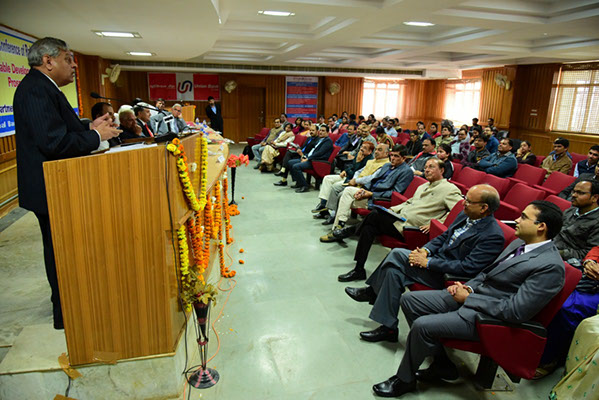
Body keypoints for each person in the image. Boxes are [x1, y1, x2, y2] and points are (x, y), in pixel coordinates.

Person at [370, 200, 565, 398]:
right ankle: (441, 363)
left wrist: (469, 299)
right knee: (410, 301)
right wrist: (468, 287)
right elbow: (487, 273)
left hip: (489, 317)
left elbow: (516, 311)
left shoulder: (550, 267)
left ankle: (405, 379)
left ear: (541, 226)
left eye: (523, 217)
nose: (516, 220)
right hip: (476, 296)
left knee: (422, 326)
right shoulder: (519, 243)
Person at [13, 37, 121, 330]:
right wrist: (97, 137)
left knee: (65, 249)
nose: (74, 66)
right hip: (52, 188)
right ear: (48, 61)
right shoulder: (36, 89)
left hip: (59, 186)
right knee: (61, 252)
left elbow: (58, 130)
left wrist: (90, 127)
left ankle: (73, 306)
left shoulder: (45, 87)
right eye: (68, 59)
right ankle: (67, 313)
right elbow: (53, 143)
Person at [344, 185, 503, 339]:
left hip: (447, 276)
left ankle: (372, 292)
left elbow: (468, 267)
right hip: (435, 261)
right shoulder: (465, 216)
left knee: (397, 254)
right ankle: (389, 328)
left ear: (484, 208)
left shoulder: (492, 235)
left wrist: (428, 262)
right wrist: (425, 250)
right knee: (393, 272)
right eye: (465, 199)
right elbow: (443, 237)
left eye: (469, 201)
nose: (463, 203)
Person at [335, 159, 465, 282]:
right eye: (425, 167)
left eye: (431, 167)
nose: (426, 170)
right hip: (400, 220)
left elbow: (459, 212)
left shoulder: (449, 189)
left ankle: (351, 230)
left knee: (374, 216)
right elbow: (409, 202)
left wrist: (436, 224)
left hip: (413, 229)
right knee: (369, 227)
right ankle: (359, 269)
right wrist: (391, 210)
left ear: (442, 170)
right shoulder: (423, 186)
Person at [320, 145, 414, 240]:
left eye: (396, 156)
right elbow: (373, 180)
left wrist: (371, 194)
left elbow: (395, 193)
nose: (392, 158)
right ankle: (339, 226)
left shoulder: (406, 171)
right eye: (391, 155)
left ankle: (338, 229)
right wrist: (363, 190)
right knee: (347, 191)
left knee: (346, 196)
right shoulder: (387, 165)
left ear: (404, 158)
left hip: (378, 200)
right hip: (369, 192)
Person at [536, 245, 599, 378]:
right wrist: (590, 262)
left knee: (568, 307)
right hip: (592, 279)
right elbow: (597, 249)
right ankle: (532, 344)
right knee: (553, 287)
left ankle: (549, 358)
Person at [314, 142, 386, 223]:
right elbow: (353, 168)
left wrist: (355, 173)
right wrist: (346, 171)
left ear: (369, 152)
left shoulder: (369, 159)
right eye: (361, 147)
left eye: (365, 148)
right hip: (351, 178)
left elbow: (359, 172)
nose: (361, 149)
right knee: (327, 178)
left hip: (357, 182)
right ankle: (323, 205)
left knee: (336, 187)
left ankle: (333, 215)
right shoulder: (364, 157)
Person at [553, 180, 599, 261]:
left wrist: (560, 253)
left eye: (580, 193)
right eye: (573, 191)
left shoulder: (596, 222)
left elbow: (588, 253)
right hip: (550, 246)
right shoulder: (570, 211)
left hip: (564, 258)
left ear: (594, 198)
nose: (573, 195)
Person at [289, 125, 333, 193]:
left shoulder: (328, 141)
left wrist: (308, 159)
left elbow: (319, 153)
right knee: (290, 162)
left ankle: (304, 185)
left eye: (323, 131)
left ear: (327, 133)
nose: (321, 132)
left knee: (296, 167)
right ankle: (299, 182)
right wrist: (305, 156)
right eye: (320, 130)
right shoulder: (320, 140)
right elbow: (313, 151)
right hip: (310, 158)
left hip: (317, 161)